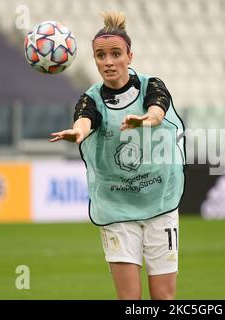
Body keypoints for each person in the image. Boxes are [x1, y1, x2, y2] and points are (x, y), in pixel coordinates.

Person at [49, 11, 185, 300]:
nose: (108, 62)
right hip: (117, 209)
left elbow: (158, 107)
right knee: (129, 301)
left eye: (115, 54)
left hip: (160, 203)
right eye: (100, 56)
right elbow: (86, 117)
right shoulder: (91, 98)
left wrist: (148, 119)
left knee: (164, 298)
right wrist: (78, 131)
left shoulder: (151, 85)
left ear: (129, 56)